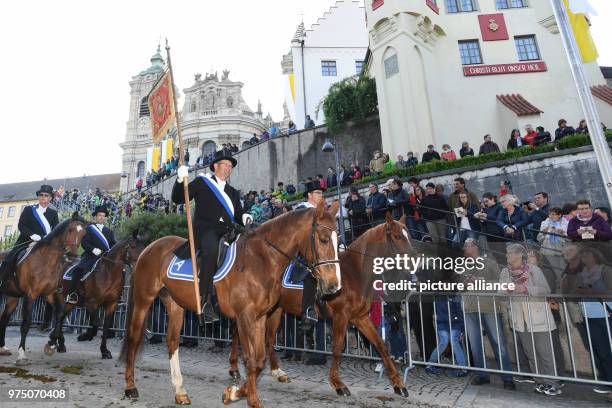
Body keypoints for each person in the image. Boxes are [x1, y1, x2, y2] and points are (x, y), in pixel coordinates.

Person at [171, 150, 251, 324]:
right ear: (216, 166)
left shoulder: (233, 192)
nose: (229, 168)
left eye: (231, 166)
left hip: (228, 232)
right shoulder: (202, 182)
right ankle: (205, 299)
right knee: (211, 249)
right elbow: (178, 198)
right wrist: (179, 180)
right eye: (226, 165)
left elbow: (237, 213)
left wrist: (244, 216)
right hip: (206, 231)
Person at [499, 244, 562, 396]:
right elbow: (500, 292)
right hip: (520, 319)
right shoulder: (505, 272)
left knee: (545, 352)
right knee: (531, 353)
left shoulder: (534, 270)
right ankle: (540, 381)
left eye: (509, 253)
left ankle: (552, 383)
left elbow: (545, 290)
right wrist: (506, 289)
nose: (506, 256)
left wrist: (526, 289)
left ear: (519, 255)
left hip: (538, 316)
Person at [461, 239, 515, 389]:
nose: (466, 248)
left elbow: (499, 284)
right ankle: (482, 374)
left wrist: (481, 281)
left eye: (469, 245)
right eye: (465, 246)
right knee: (475, 345)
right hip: (470, 308)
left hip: (489, 307)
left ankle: (507, 377)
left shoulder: (490, 263)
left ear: (476, 247)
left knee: (499, 343)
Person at [292, 180, 328, 365]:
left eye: (322, 193)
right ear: (309, 195)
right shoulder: (302, 210)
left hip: (322, 255)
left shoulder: (324, 212)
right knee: (311, 278)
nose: (321, 196)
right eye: (318, 193)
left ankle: (320, 352)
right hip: (304, 256)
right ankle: (307, 310)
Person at [0, 185, 60, 286]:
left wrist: (48, 238)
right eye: (41, 195)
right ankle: (2, 279)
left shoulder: (53, 213)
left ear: (50, 198)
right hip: (26, 241)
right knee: (10, 258)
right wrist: (32, 235)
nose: (43, 197)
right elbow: (21, 225)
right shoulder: (29, 209)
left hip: (44, 243)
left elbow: (55, 229)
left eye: (46, 195)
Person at [65, 206, 116, 304]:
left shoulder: (109, 231)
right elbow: (84, 242)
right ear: (95, 217)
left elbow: (113, 243)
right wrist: (93, 249)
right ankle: (72, 294)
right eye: (100, 215)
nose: (102, 217)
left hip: (105, 257)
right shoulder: (88, 229)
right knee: (78, 270)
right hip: (90, 256)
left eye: (103, 216)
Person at [425, 294, 467, 377]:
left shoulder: (456, 297)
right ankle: (430, 364)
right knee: (444, 341)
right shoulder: (437, 296)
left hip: (454, 324)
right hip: (442, 324)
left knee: (453, 340)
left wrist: (462, 329)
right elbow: (433, 311)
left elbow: (459, 313)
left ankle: (462, 368)